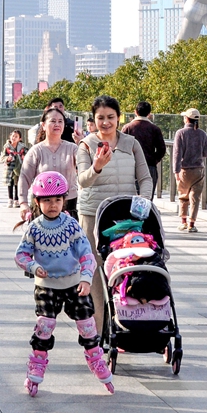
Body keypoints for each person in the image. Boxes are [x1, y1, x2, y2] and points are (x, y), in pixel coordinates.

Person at [14, 172, 113, 397]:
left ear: (64, 201)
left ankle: (96, 360)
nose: (53, 205)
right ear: (37, 202)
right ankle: (36, 366)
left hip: (74, 283)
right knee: (44, 325)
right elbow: (20, 255)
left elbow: (87, 255)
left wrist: (86, 279)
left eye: (57, 200)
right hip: (46, 285)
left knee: (87, 325)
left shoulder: (71, 226)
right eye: (47, 200)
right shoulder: (34, 228)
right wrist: (33, 266)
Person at [75, 95, 153, 334]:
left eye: (110, 117)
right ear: (94, 119)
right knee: (95, 273)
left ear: (119, 118)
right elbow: (83, 180)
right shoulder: (86, 145)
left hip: (126, 217)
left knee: (126, 268)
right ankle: (99, 332)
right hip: (93, 215)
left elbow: (145, 178)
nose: (106, 122)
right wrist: (97, 167)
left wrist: (143, 202)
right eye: (100, 118)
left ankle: (125, 325)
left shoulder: (131, 143)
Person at [19, 108, 79, 220]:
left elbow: (86, 167)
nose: (57, 124)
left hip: (68, 205)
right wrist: (23, 203)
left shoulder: (73, 149)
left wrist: (82, 143)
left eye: (60, 121)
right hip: (42, 206)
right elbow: (24, 177)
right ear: (43, 125)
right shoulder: (36, 151)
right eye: (53, 121)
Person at [171, 108, 207, 232]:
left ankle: (183, 222)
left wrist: (176, 171)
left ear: (187, 119)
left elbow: (177, 154)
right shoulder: (202, 134)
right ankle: (192, 224)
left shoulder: (180, 133)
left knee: (183, 196)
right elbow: (206, 152)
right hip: (198, 170)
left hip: (184, 170)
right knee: (195, 197)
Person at [121, 101, 166, 199]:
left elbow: (120, 147)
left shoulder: (128, 128)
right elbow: (162, 149)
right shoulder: (155, 129)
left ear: (135, 112)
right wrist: (154, 160)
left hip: (130, 167)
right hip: (149, 166)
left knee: (129, 199)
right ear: (149, 113)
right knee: (146, 200)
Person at [2, 129, 28, 207]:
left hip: (19, 166)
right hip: (9, 167)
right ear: (10, 136)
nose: (14, 138)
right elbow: (3, 156)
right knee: (10, 183)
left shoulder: (22, 147)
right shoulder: (7, 146)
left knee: (18, 183)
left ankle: (16, 200)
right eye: (13, 136)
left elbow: (27, 154)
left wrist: (23, 157)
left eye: (16, 136)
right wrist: (7, 159)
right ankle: (10, 199)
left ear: (20, 139)